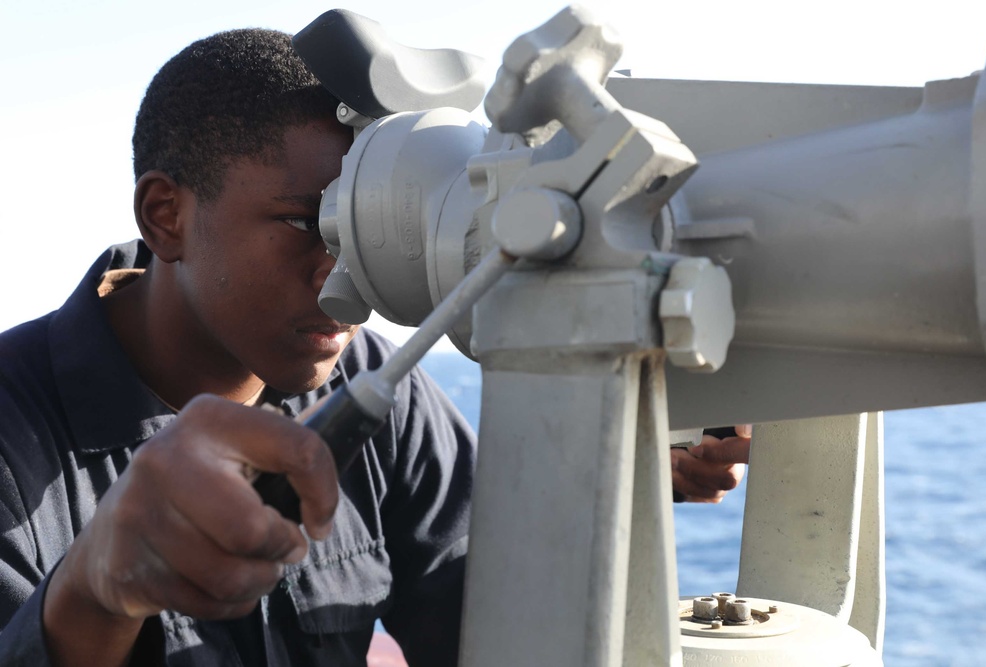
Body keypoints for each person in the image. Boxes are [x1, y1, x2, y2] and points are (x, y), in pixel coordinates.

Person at [0, 26, 749, 667]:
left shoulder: (376, 386)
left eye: (364, 231)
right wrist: (94, 591)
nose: (346, 274)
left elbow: (498, 618)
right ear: (166, 215)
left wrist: (628, 471)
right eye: (310, 226)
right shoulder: (13, 435)